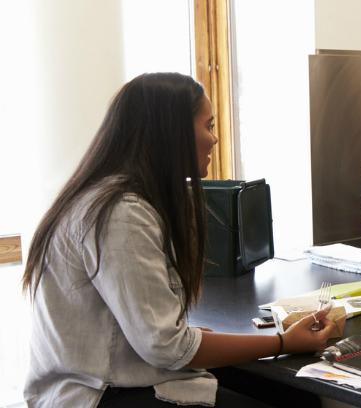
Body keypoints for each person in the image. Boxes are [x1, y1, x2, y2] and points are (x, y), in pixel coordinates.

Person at [22, 73, 336, 407]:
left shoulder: (111, 198)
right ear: (171, 134)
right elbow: (166, 346)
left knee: (294, 398)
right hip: (102, 395)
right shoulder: (122, 213)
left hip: (116, 379)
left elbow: (154, 334)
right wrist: (283, 342)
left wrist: (197, 340)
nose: (214, 139)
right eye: (208, 125)